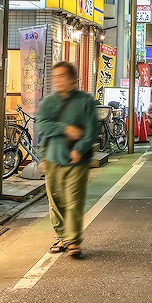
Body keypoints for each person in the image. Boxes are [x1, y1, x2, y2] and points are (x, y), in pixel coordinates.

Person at [37, 61, 98, 259]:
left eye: (62, 76)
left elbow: (91, 130)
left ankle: (73, 241)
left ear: (73, 79)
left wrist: (80, 148)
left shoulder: (85, 101)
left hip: (77, 160)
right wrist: (65, 129)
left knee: (73, 201)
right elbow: (42, 127)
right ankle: (62, 237)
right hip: (54, 157)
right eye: (56, 77)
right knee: (56, 201)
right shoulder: (48, 102)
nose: (58, 80)